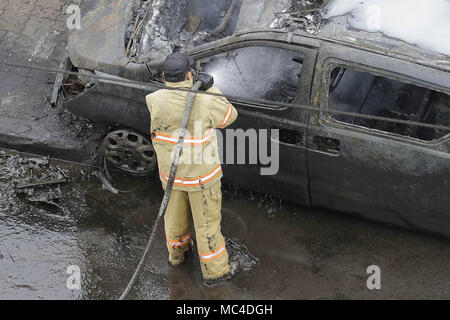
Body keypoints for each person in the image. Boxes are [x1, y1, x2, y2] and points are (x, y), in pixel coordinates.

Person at [145, 52, 239, 287]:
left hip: (171, 176)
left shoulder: (154, 99)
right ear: (190, 74)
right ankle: (216, 272)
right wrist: (209, 89)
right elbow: (230, 116)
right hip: (201, 179)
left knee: (174, 219)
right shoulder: (206, 100)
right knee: (207, 225)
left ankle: (177, 255)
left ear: (166, 76)